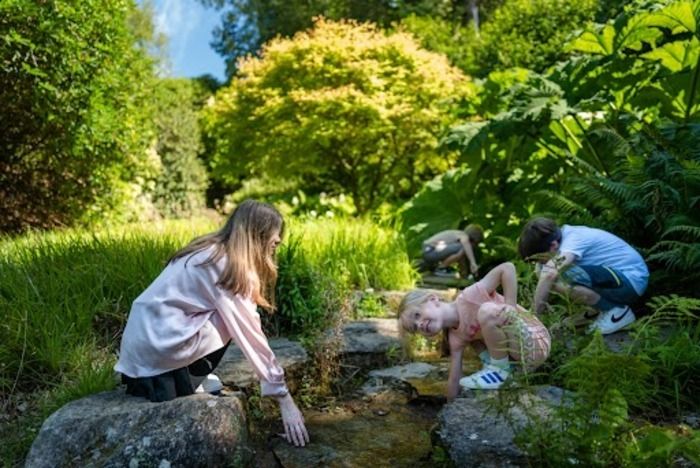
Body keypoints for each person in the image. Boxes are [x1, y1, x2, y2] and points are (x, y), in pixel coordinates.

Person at [115, 200, 309, 447]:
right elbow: (250, 333)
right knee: (233, 318)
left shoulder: (210, 249)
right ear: (257, 235)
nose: (277, 243)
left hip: (143, 347)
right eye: (274, 238)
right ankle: (187, 378)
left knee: (230, 313)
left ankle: (188, 377)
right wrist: (284, 398)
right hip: (157, 348)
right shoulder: (229, 266)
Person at [398, 263, 551, 399]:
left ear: (432, 299)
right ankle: (503, 371)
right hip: (522, 362)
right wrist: (450, 409)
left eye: (417, 315)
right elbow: (454, 378)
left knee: (486, 311)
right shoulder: (455, 337)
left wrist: (510, 305)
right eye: (415, 328)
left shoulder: (469, 297)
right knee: (473, 337)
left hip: (535, 339)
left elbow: (507, 268)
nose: (420, 325)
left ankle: (499, 370)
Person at [518, 217, 649, 335]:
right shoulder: (560, 239)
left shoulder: (573, 239)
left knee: (555, 274)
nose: (540, 263)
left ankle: (616, 311)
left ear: (553, 245)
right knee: (545, 272)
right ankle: (598, 310)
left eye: (540, 259)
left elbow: (549, 274)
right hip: (616, 280)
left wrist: (532, 319)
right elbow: (543, 272)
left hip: (630, 281)